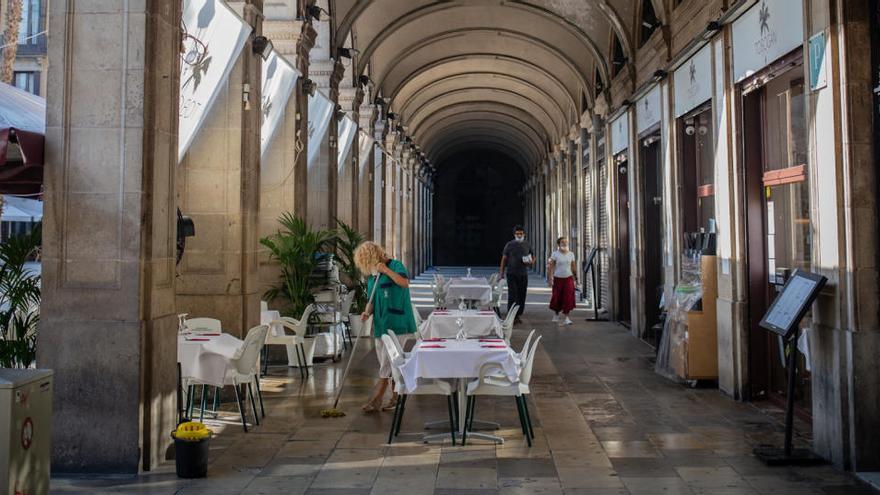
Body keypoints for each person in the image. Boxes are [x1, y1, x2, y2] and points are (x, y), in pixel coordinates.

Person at [355, 241, 417, 413]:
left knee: (387, 363)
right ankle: (395, 397)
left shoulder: (395, 266)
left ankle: (377, 398)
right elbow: (373, 300)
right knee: (388, 362)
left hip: (397, 323)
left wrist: (386, 271)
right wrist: (367, 312)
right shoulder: (373, 277)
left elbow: (404, 283)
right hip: (381, 325)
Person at [499, 225, 534, 325]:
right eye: (517, 233)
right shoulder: (509, 245)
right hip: (511, 273)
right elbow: (504, 259)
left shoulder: (527, 245)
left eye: (521, 233)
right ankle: (511, 316)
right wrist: (501, 273)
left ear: (524, 234)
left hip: (523, 273)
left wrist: (531, 262)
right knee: (513, 295)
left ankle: (518, 315)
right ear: (514, 235)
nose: (519, 235)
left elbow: (532, 256)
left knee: (522, 294)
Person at [548, 236, 577, 325]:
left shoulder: (571, 254)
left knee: (568, 297)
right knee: (557, 297)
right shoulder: (555, 254)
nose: (564, 243)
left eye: (565, 242)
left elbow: (573, 266)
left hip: (568, 278)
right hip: (558, 278)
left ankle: (567, 318)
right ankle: (556, 314)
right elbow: (551, 266)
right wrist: (550, 278)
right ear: (559, 244)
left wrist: (575, 278)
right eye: (562, 242)